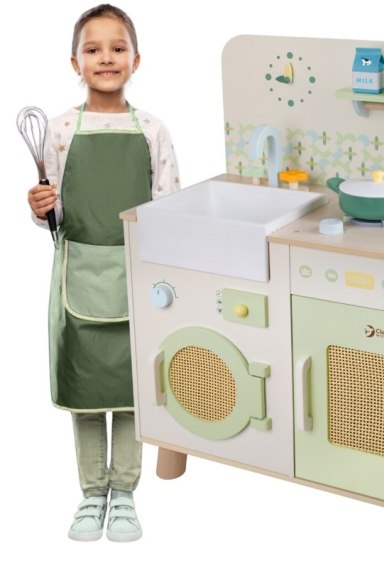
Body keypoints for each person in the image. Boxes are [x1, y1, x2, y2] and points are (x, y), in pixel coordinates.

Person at [27, 4, 181, 542]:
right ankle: (92, 493)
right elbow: (54, 216)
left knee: (134, 386)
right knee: (87, 386)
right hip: (79, 275)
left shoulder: (153, 130)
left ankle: (126, 493)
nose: (106, 58)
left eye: (118, 48)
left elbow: (167, 206)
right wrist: (40, 207)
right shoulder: (59, 130)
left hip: (137, 274)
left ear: (136, 60)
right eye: (93, 49)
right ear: (75, 62)